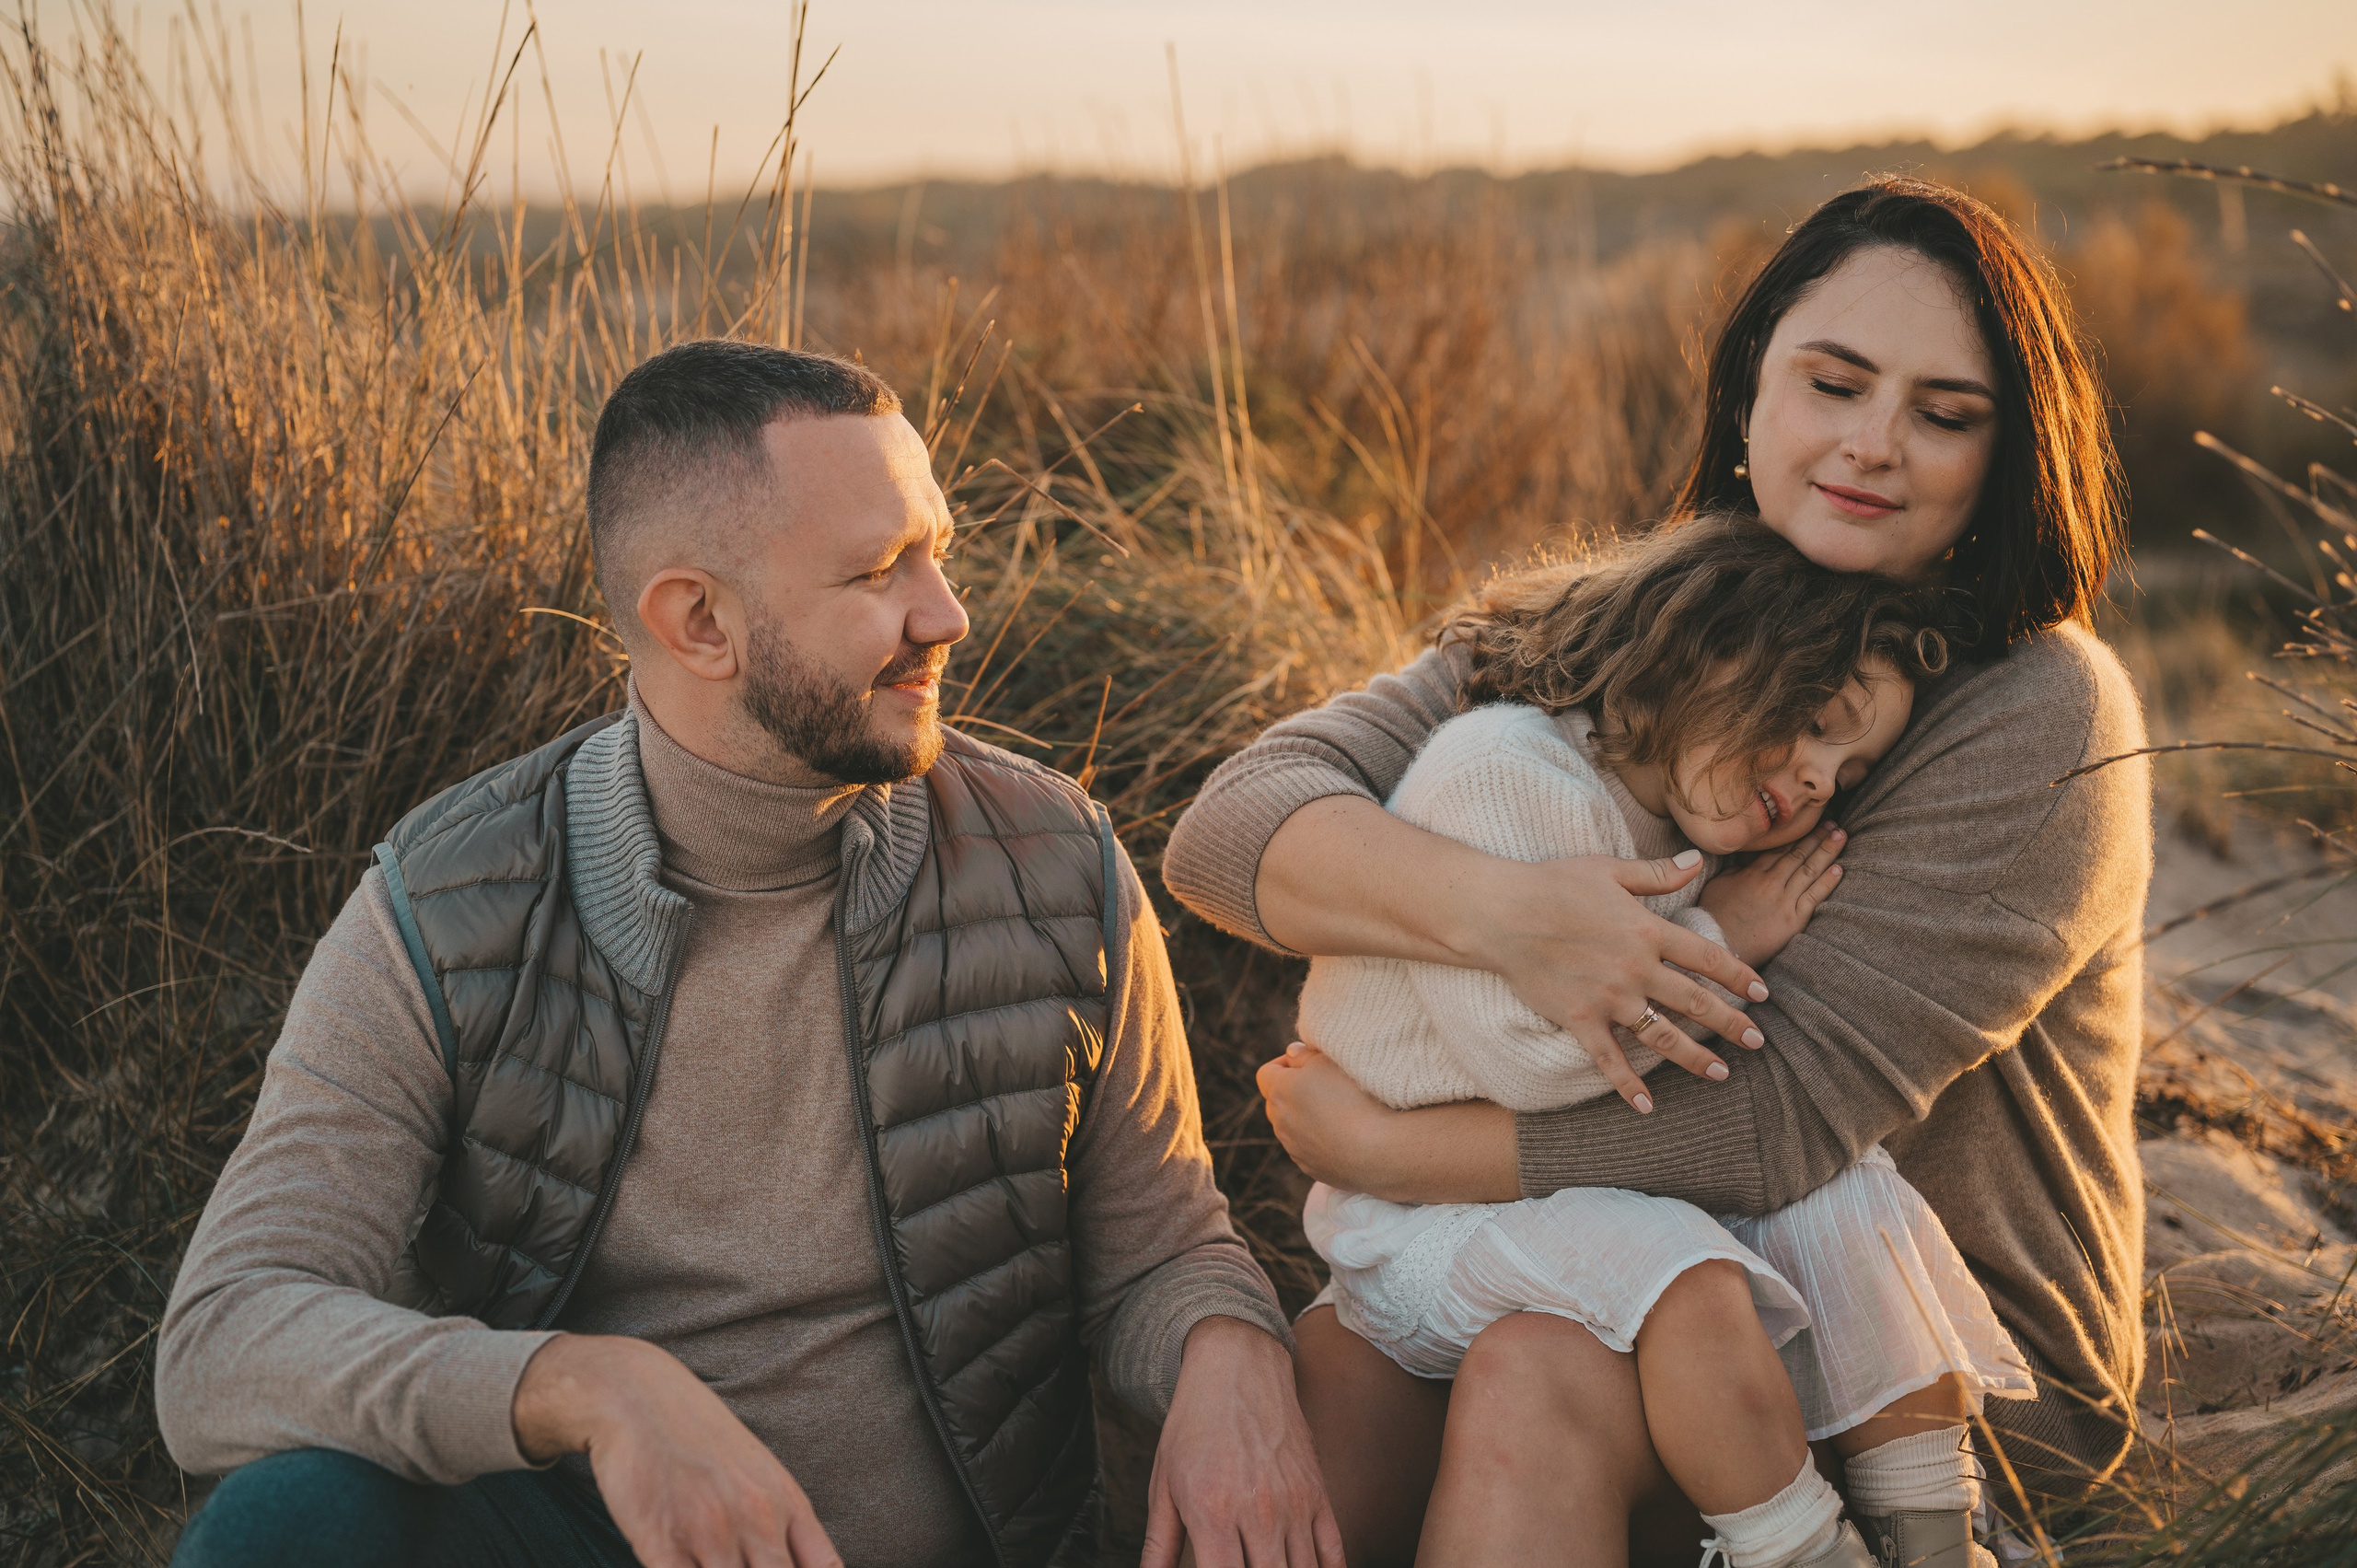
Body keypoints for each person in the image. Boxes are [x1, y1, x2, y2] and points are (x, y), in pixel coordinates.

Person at [157, 340, 1343, 1568]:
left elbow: (1162, 1249)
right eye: (883, 569)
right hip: (592, 1542)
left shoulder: (1054, 863)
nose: (948, 612)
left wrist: (1228, 1347)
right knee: (286, 1526)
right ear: (701, 620)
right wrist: (589, 1387)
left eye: (937, 547)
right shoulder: (448, 909)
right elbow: (226, 1338)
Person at [1162, 178, 2150, 1565]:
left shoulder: (2039, 709)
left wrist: (1392, 1152)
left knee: (1532, 1364)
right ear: (1752, 390)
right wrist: (1517, 919)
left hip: (1928, 1356)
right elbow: (1234, 829)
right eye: (1837, 381)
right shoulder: (1636, 616)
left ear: (2006, 456)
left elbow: (1772, 1130)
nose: (1874, 444)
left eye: (1944, 413)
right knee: (1330, 1374)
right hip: (1601, 1235)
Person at [1298, 516, 2028, 1568]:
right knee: (1684, 1276)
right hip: (1414, 1227)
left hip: (1540, 1194)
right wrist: (1716, 935)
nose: (1823, 777)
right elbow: (1536, 1059)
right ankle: (1803, 1549)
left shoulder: (1665, 818)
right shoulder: (1506, 773)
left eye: (1850, 769)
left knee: (1848, 1188)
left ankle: (1937, 1536)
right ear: (1703, 651)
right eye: (1816, 720)